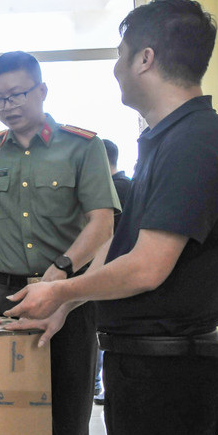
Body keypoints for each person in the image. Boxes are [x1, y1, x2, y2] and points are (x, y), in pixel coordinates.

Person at [6, 0, 218, 435]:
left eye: (120, 55)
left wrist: (61, 290)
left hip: (169, 375)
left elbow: (147, 266)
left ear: (145, 59)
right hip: (143, 367)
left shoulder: (195, 141)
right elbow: (124, 247)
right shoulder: (166, 139)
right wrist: (67, 305)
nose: (116, 69)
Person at [0, 51, 119, 435]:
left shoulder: (82, 146)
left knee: (67, 419)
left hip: (69, 300)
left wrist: (60, 271)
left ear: (42, 90)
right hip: (8, 299)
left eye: (17, 94)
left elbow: (102, 222)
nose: (8, 106)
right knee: (7, 416)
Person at [94, 139, 132, 403]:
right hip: (120, 273)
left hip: (112, 273)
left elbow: (102, 236)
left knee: (103, 333)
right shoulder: (130, 186)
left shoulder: (114, 191)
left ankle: (98, 384)